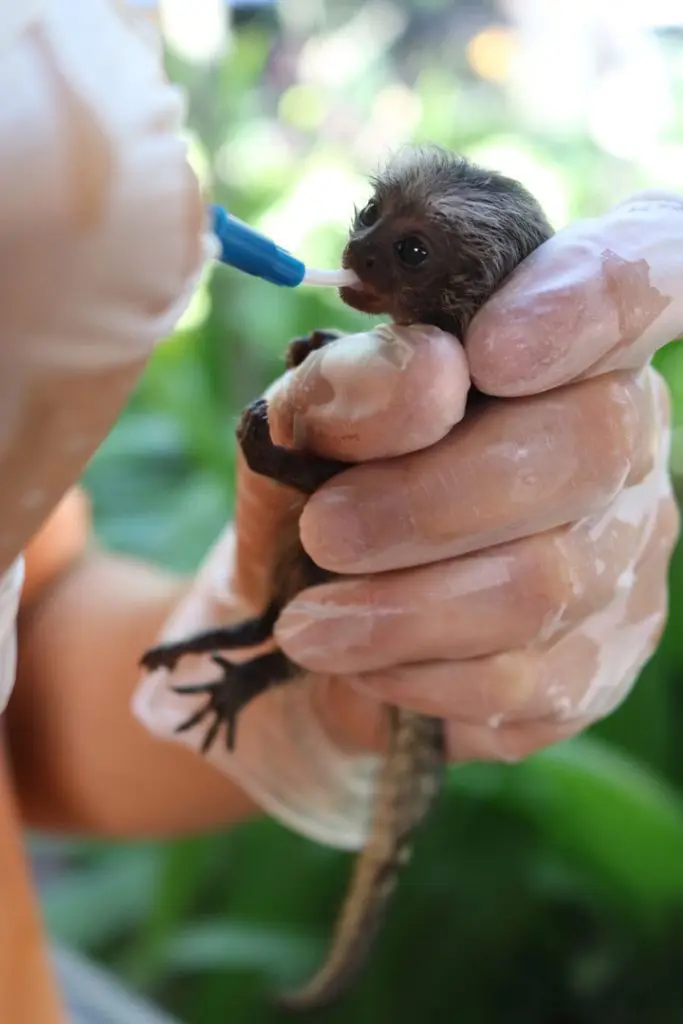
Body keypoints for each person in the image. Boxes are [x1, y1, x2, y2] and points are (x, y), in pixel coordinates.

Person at [0, 2, 679, 1020]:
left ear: (471, 289)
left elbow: (29, 625)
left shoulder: (460, 391)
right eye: (373, 219)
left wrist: (317, 703)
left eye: (405, 250)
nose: (359, 246)